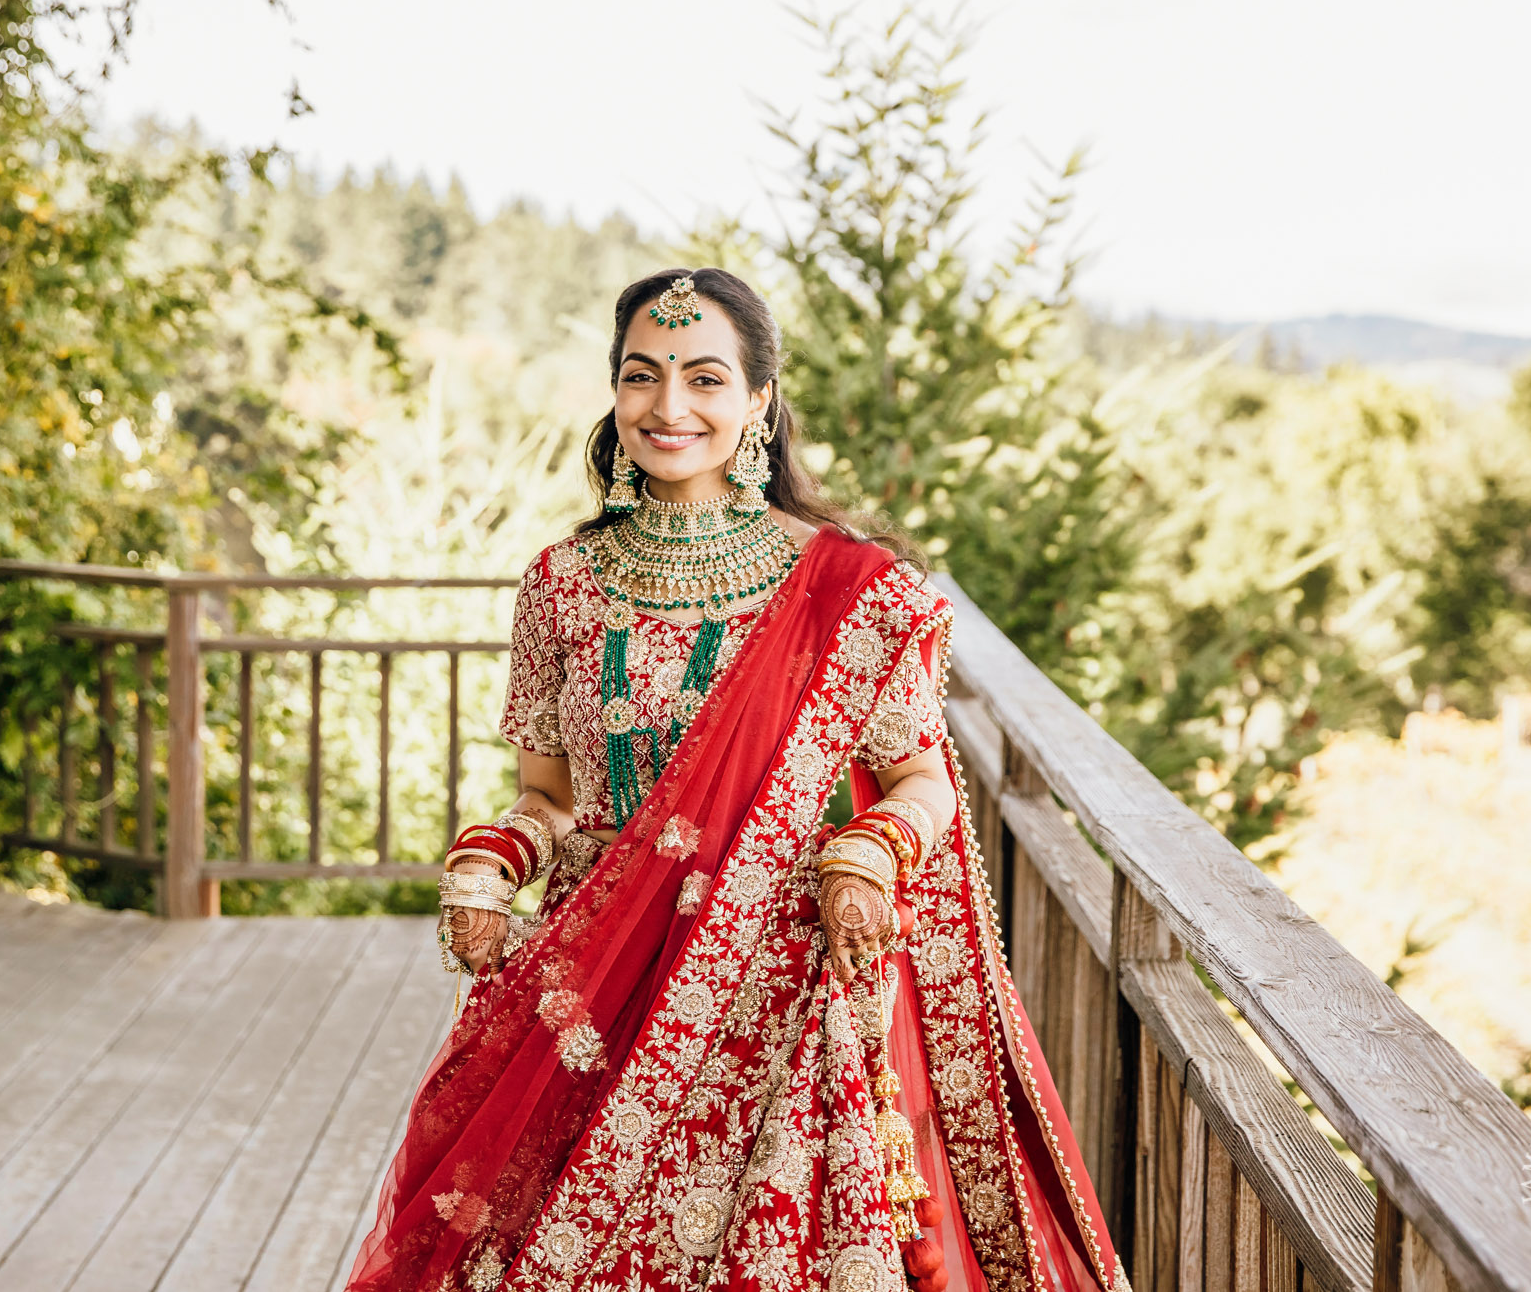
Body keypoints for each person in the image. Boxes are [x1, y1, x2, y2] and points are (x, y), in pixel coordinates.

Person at [346, 269, 1127, 1292]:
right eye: (642, 376)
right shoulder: (560, 585)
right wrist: (491, 858)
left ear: (758, 399)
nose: (669, 408)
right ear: (614, 390)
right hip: (597, 996)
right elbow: (550, 796)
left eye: (705, 378)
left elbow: (922, 782)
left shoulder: (846, 589)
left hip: (785, 993)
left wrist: (864, 853)